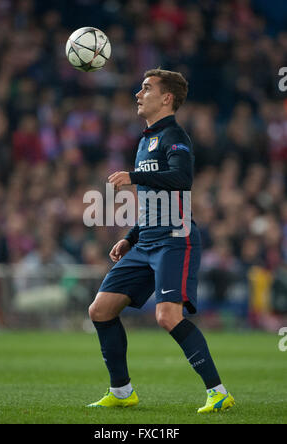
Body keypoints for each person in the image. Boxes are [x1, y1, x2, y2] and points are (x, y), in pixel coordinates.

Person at [87, 69, 235, 413]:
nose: (138, 93)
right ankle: (122, 392)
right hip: (146, 241)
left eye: (146, 88)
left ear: (166, 98)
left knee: (167, 316)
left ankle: (218, 392)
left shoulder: (175, 136)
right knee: (100, 310)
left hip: (174, 239)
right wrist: (129, 238)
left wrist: (133, 176)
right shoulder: (144, 140)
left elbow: (182, 178)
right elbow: (155, 199)